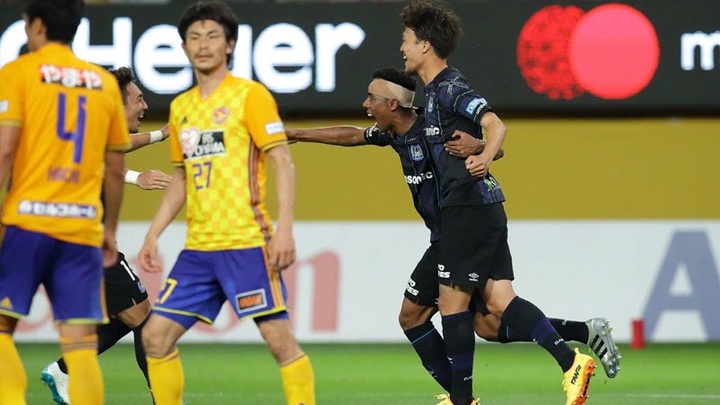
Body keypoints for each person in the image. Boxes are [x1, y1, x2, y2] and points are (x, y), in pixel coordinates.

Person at [286, 67, 621, 394]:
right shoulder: (393, 135)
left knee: (418, 315)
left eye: (371, 98)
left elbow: (494, 148)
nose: (365, 105)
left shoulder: (433, 128)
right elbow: (354, 135)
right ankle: (584, 332)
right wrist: (299, 134)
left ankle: (463, 396)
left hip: (461, 229)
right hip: (457, 230)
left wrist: (480, 146)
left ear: (392, 105)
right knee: (488, 324)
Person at [399, 2, 609, 405]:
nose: (402, 48)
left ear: (425, 45)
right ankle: (570, 361)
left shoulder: (449, 87)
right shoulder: (434, 94)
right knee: (497, 303)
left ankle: (464, 399)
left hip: (467, 208)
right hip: (483, 208)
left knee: (453, 303)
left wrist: (483, 153)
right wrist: (484, 150)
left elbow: (496, 124)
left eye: (406, 40)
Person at [138, 2, 315, 405]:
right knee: (155, 336)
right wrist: (152, 234)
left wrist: (284, 228)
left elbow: (281, 161)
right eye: (194, 37)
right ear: (183, 47)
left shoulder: (249, 96)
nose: (203, 45)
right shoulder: (182, 108)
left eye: (213, 36)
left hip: (247, 242)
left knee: (279, 341)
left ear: (230, 45)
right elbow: (182, 177)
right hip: (199, 250)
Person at [0, 0, 130, 404]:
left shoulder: (18, 73)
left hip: (27, 223)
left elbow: (5, 150)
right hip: (82, 229)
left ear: (37, 25)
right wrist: (109, 230)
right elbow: (114, 166)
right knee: (79, 342)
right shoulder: (104, 83)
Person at [40, 66, 172, 405]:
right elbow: (106, 153)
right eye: (138, 99)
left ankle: (64, 370)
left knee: (132, 315)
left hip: (78, 240)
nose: (144, 106)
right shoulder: (89, 129)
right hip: (81, 241)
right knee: (146, 319)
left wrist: (161, 135)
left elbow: (110, 151)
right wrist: (139, 173)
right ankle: (166, 399)